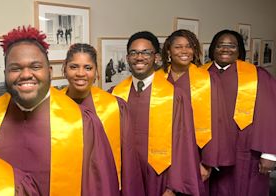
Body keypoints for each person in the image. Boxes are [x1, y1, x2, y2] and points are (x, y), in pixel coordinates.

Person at [0, 26, 119, 195]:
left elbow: (100, 188)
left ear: (49, 71)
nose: (26, 74)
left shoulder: (83, 122)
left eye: (35, 67)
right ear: (5, 73)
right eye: (16, 68)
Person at [110, 31, 201, 195]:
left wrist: (173, 187)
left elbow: (184, 144)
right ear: (127, 58)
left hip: (161, 176)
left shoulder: (175, 96)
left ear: (157, 58)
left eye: (146, 52)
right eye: (134, 53)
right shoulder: (114, 94)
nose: (139, 57)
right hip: (126, 176)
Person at [61, 43, 143, 195]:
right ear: (64, 69)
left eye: (88, 68)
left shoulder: (114, 107)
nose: (81, 73)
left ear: (96, 71)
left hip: (104, 187)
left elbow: (128, 160)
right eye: (74, 67)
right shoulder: (53, 106)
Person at [161, 30, 235, 194]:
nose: (184, 51)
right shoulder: (158, 78)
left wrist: (207, 162)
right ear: (168, 51)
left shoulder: (207, 80)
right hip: (162, 153)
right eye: (178, 47)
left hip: (194, 154)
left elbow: (217, 122)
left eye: (189, 46)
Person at [202, 30, 276, 196]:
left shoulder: (256, 75)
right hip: (207, 151)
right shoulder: (199, 75)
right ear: (213, 48)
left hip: (245, 151)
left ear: (239, 50)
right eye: (220, 45)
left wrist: (270, 154)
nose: (225, 49)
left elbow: (269, 114)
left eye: (231, 46)